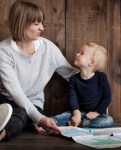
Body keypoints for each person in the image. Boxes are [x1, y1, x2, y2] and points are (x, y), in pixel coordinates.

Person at [0, 0, 78, 141]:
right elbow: (15, 92)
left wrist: (98, 87)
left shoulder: (48, 49)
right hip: (5, 100)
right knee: (19, 113)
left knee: (23, 115)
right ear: (21, 23)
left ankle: (2, 134)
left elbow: (72, 75)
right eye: (36, 24)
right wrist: (40, 119)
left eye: (41, 23)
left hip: (32, 104)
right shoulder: (3, 51)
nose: (42, 28)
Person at [51, 43, 114, 128]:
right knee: (64, 116)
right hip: (79, 112)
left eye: (82, 53)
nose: (77, 54)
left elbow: (107, 97)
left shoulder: (101, 77)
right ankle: (47, 123)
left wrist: (97, 112)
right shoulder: (74, 79)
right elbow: (72, 98)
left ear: (92, 62)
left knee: (108, 120)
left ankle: (81, 124)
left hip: (96, 115)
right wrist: (76, 114)